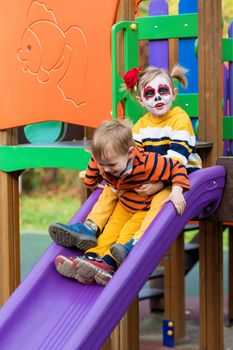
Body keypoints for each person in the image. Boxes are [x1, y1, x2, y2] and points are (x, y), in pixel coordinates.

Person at [50, 64, 202, 278]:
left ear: (174, 93)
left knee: (161, 201)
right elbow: (132, 157)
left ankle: (134, 243)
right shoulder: (140, 125)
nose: (157, 97)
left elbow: (176, 161)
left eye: (163, 91)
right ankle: (93, 250)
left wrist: (160, 184)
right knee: (112, 193)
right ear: (141, 100)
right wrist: (114, 181)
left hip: (181, 177)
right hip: (150, 173)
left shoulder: (179, 119)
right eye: (150, 93)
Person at [55, 119, 190, 285]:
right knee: (109, 232)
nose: (106, 169)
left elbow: (177, 167)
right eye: (102, 164)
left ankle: (109, 263)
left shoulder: (148, 163)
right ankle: (91, 258)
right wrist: (91, 183)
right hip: (124, 203)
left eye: (112, 165)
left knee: (126, 233)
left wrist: (177, 190)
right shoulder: (104, 160)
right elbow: (94, 165)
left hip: (143, 207)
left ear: (130, 154)